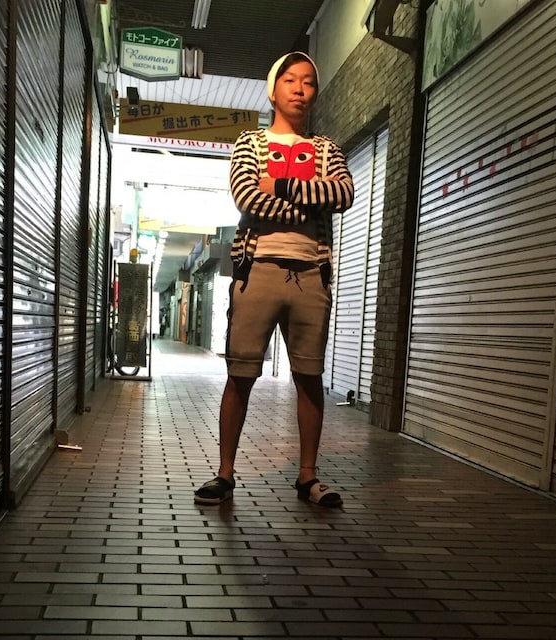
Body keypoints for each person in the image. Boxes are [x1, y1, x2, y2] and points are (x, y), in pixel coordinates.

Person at [194, 51, 354, 507]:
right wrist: (308, 205)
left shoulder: (327, 149)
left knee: (309, 375)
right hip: (257, 269)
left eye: (308, 81)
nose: (300, 89)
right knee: (240, 373)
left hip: (312, 274)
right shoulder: (250, 142)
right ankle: (225, 473)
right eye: (290, 80)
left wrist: (280, 186)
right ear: (273, 89)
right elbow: (247, 196)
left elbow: (342, 193)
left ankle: (308, 477)